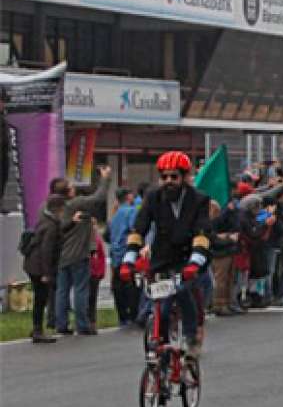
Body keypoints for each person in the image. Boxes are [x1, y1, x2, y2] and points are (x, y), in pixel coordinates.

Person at [118, 152, 212, 355]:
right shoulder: (153, 197)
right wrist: (128, 261)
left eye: (174, 177)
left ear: (185, 177)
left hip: (190, 256)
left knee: (183, 290)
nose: (168, 181)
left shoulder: (199, 200)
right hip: (162, 256)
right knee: (163, 304)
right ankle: (160, 343)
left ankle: (191, 337)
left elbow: (202, 233)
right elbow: (138, 230)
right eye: (164, 177)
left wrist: (194, 263)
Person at [54, 166, 113, 336]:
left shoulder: (55, 207)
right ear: (68, 192)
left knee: (62, 290)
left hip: (63, 253)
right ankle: (82, 324)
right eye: (71, 188)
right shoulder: (76, 204)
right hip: (78, 252)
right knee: (81, 289)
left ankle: (61, 323)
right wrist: (105, 178)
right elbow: (99, 198)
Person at [24, 194, 64, 343]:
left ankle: (36, 327)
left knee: (39, 298)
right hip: (39, 267)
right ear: (58, 209)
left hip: (32, 264)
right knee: (41, 299)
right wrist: (46, 273)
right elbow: (46, 251)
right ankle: (38, 330)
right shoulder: (51, 226)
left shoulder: (44, 220)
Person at [107, 188, 140, 326]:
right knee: (131, 286)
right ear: (128, 197)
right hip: (128, 253)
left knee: (118, 286)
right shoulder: (131, 211)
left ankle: (122, 316)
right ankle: (133, 315)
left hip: (115, 254)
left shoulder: (114, 215)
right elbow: (135, 229)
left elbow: (108, 235)